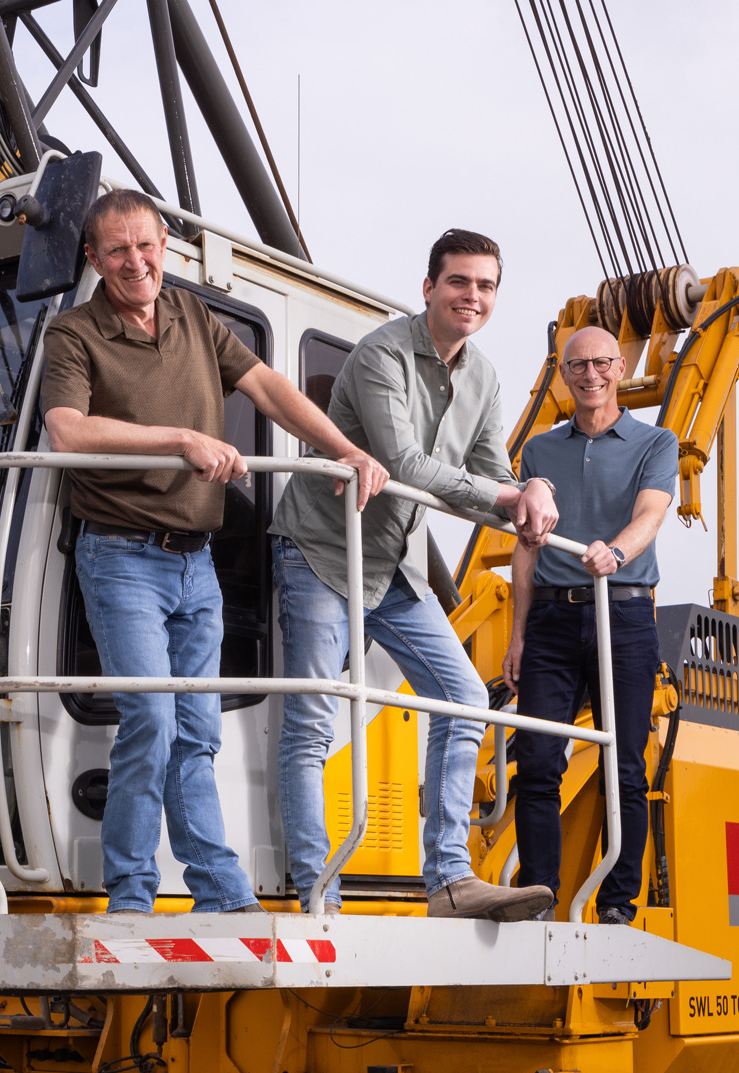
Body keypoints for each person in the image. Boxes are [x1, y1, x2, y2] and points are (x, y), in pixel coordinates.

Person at [42, 189, 389, 913]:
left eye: (145, 245)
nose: (135, 262)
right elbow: (68, 431)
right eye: (117, 250)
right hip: (121, 557)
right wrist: (180, 439)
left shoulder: (195, 317)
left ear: (164, 241)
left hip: (195, 562)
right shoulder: (73, 334)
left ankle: (219, 890)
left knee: (197, 730)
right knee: (152, 718)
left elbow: (267, 386)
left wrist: (348, 450)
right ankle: (133, 891)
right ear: (93, 259)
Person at [270, 228, 559, 922]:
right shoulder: (381, 355)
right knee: (311, 722)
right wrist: (509, 495)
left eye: (486, 285)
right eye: (459, 281)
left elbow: (493, 476)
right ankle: (320, 894)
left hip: (393, 564)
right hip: (321, 549)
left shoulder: (485, 377)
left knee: (463, 698)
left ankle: (450, 880)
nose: (473, 296)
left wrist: (534, 486)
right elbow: (405, 466)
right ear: (429, 287)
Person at [504, 325, 677, 925]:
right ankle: (539, 898)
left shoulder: (657, 442)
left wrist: (617, 553)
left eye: (602, 363)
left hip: (624, 612)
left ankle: (618, 905)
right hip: (553, 616)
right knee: (537, 760)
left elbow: (652, 513)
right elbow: (525, 549)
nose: (590, 375)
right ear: (564, 374)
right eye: (577, 366)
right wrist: (518, 634)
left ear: (621, 366)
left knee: (625, 764)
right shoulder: (539, 453)